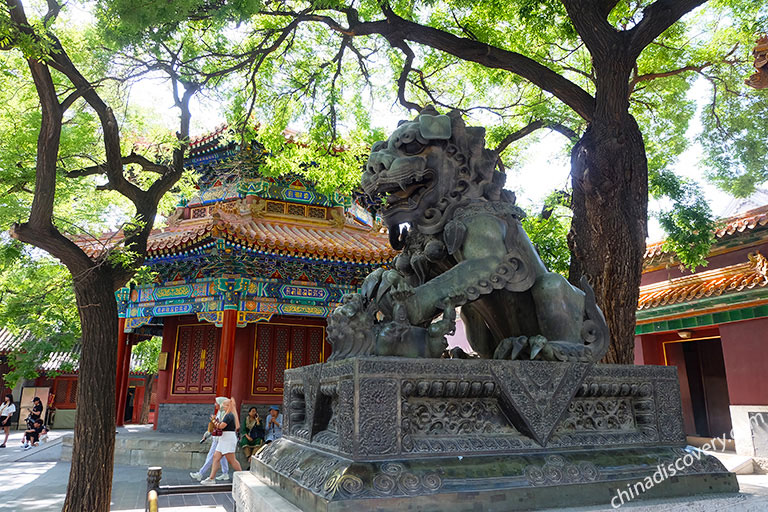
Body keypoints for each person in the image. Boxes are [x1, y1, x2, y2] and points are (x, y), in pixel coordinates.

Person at [201, 397, 243, 485]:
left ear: (228, 406)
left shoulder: (229, 415)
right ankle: (211, 478)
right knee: (216, 457)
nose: (222, 406)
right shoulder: (226, 414)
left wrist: (214, 421)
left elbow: (221, 426)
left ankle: (242, 476)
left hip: (228, 439)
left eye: (224, 405)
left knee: (232, 460)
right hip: (223, 439)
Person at [190, 397, 230, 481]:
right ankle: (225, 473)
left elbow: (220, 425)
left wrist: (214, 421)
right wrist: (207, 434)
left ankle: (200, 473)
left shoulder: (225, 414)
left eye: (216, 403)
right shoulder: (220, 412)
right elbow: (213, 425)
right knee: (222, 457)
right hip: (218, 438)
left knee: (211, 456)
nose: (215, 404)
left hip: (220, 439)